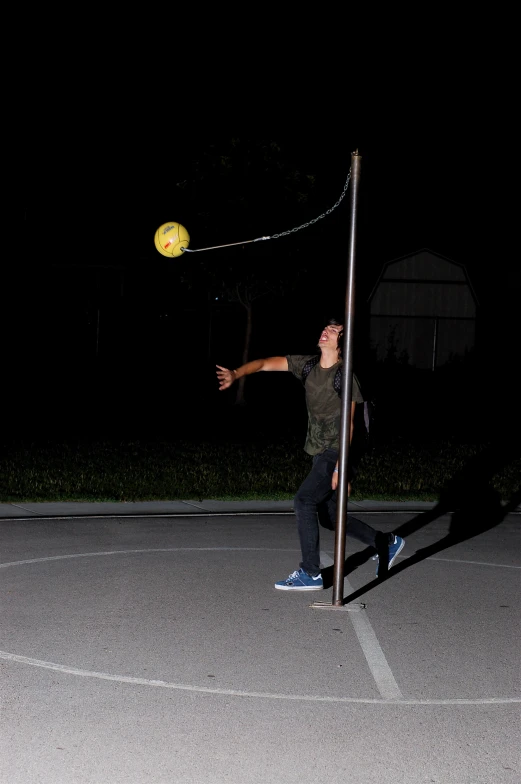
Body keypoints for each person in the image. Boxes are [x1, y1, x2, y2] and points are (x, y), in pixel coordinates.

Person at [216, 318, 405, 591]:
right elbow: (266, 363)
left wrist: (341, 465)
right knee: (329, 517)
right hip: (320, 450)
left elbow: (349, 424)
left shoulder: (345, 375)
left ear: (343, 344)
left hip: (336, 450)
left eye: (334, 331)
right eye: (326, 328)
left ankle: (310, 573)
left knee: (304, 501)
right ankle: (386, 542)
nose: (325, 331)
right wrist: (237, 373)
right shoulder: (308, 365)